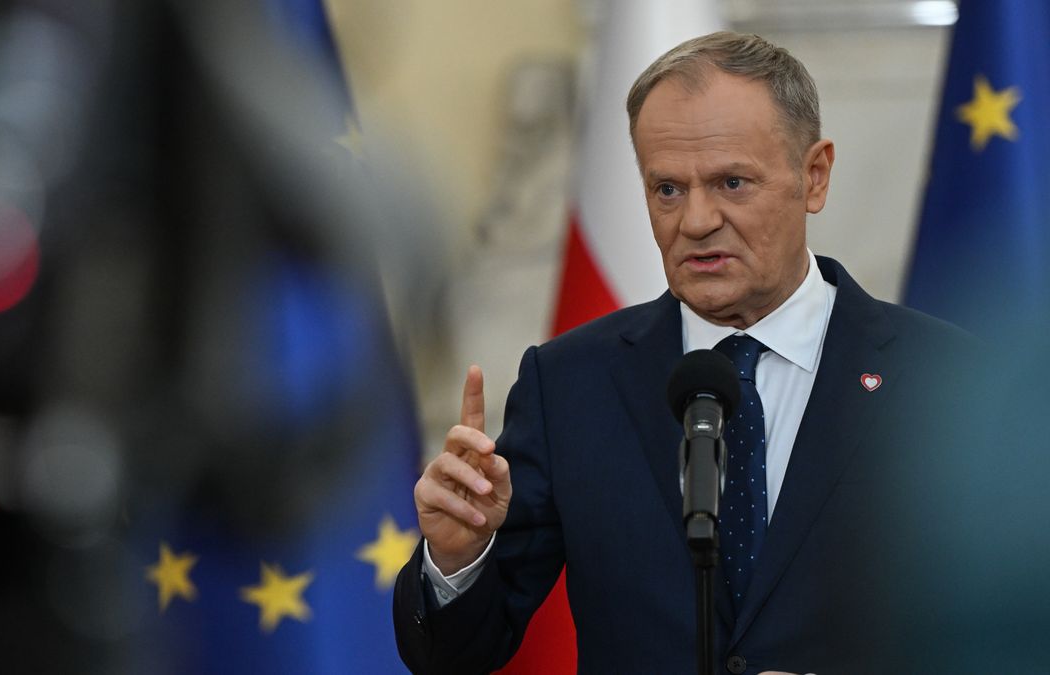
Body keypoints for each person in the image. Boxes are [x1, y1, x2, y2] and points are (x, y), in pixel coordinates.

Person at [393, 31, 979, 674]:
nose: (695, 220)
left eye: (731, 182)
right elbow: (456, 654)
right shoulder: (570, 385)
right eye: (667, 189)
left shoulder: (946, 381)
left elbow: (1013, 631)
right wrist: (456, 561)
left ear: (814, 176)